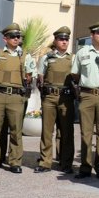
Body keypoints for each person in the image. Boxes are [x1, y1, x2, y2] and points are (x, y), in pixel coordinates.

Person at [0, 23, 36, 174]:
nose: (16, 39)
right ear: (5, 38)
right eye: (12, 36)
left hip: (16, 96)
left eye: (18, 36)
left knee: (16, 130)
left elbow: (29, 75)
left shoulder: (25, 56)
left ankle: (15, 162)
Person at [71, 20, 99, 179]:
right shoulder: (82, 52)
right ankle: (85, 166)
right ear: (92, 35)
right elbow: (75, 74)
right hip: (87, 95)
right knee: (86, 133)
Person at [35, 26, 75, 174]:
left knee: (66, 131)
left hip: (66, 98)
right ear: (56, 40)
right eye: (61, 39)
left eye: (66, 39)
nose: (64, 42)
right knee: (47, 131)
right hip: (49, 98)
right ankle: (45, 162)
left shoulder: (73, 58)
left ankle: (66, 164)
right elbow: (40, 78)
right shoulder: (47, 57)